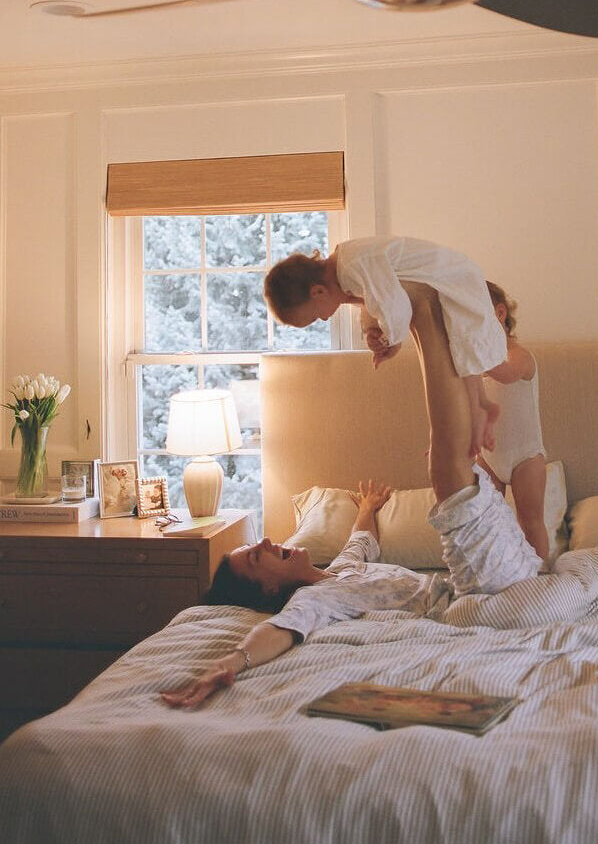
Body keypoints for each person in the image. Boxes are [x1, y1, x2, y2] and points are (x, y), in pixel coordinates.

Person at [161, 284, 541, 709]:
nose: (269, 541)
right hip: (471, 596)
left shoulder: (340, 570)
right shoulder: (315, 599)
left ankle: (423, 326)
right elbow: (279, 631)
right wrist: (234, 659)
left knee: (449, 464)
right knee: (446, 465)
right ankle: (422, 322)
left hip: (479, 585)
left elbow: (363, 541)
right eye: (257, 556)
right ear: (268, 588)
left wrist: (366, 508)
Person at [262, 236, 508, 457]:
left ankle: (477, 410)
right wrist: (373, 330)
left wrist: (392, 339)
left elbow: (396, 307)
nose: (325, 319)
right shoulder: (344, 270)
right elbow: (372, 301)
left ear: (317, 292)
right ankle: (483, 404)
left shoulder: (353, 265)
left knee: (464, 346)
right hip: (450, 274)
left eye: (316, 316)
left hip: (453, 276)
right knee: (463, 348)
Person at [477, 281, 549, 563]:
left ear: (499, 313)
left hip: (526, 456)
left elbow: (505, 375)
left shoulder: (518, 356)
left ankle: (541, 576)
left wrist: (468, 357)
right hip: (488, 456)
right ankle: (499, 571)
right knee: (490, 522)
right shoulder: (480, 363)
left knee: (530, 522)